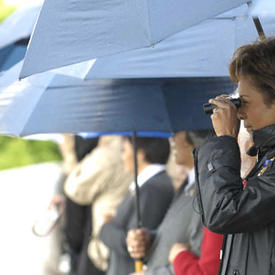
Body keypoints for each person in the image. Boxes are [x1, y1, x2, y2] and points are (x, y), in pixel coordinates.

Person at [195, 37, 275, 275]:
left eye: (244, 102)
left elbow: (224, 213)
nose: (239, 113)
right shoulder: (265, 159)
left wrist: (225, 142)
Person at [127, 131, 222, 275]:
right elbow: (178, 234)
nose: (173, 138)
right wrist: (149, 239)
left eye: (179, 131)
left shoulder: (207, 189)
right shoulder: (188, 184)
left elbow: (198, 257)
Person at [99, 137, 174, 275]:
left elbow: (134, 242)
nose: (122, 156)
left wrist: (105, 227)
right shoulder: (149, 186)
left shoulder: (152, 189)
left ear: (140, 154)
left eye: (124, 150)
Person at [64, 136, 132, 275]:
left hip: (105, 247)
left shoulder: (107, 154)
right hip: (130, 239)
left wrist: (70, 154)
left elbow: (74, 188)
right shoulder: (133, 145)